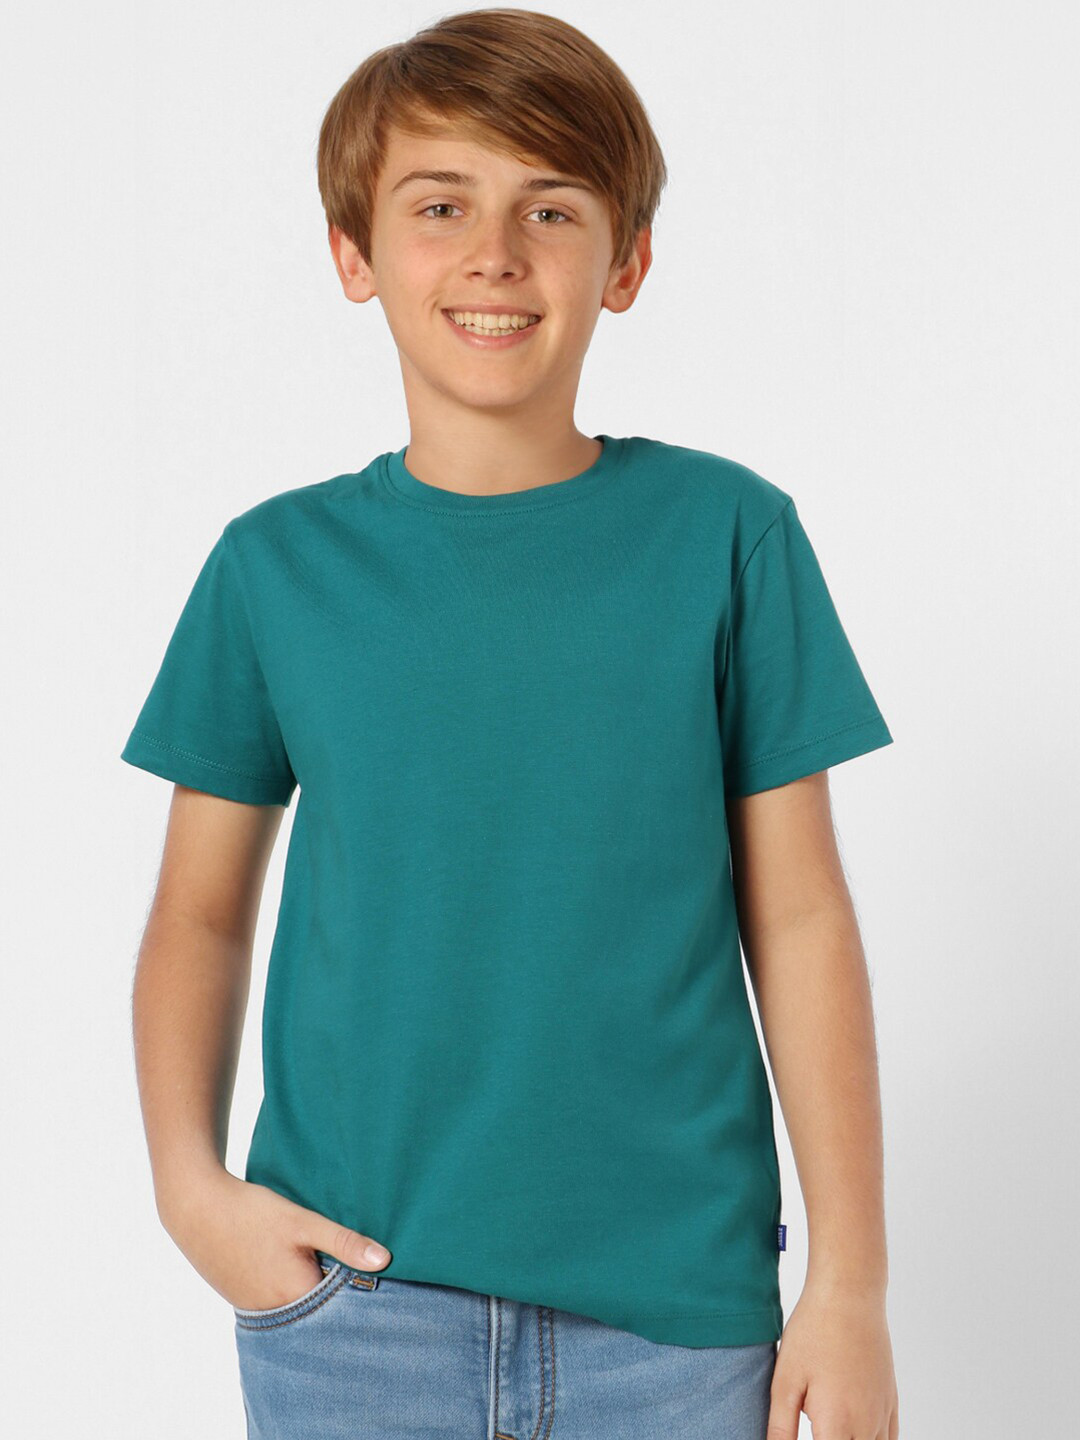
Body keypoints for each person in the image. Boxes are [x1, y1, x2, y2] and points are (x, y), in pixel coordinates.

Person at [122, 9, 900, 1439]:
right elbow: (199, 915)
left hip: (676, 1325)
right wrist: (189, 1189)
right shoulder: (274, 567)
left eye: (551, 209)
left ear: (628, 261)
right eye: (440, 206)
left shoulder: (729, 538)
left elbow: (800, 918)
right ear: (354, 253)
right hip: (352, 1313)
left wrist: (850, 1285)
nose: (495, 253)